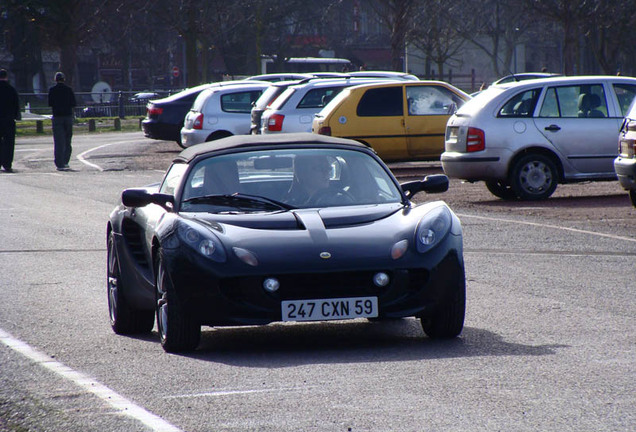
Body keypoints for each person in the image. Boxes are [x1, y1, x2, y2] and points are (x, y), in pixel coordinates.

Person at [48, 72, 76, 171]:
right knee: (67, 140)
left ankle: (59, 163)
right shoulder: (69, 90)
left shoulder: (52, 90)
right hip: (67, 116)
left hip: (57, 117)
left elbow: (50, 103)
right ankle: (65, 160)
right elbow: (73, 103)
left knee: (58, 141)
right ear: (64, 79)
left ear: (55, 79)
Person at [0, 68, 20, 173]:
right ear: (6, 77)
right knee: (9, 142)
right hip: (8, 119)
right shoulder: (11, 89)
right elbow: (16, 104)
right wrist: (16, 115)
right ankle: (7, 163)